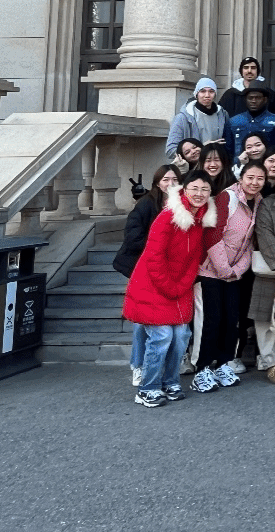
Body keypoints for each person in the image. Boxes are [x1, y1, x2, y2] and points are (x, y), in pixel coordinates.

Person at [121, 171, 225, 407]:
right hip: (152, 285)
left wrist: (183, 284)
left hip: (179, 287)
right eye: (194, 188)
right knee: (162, 336)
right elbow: (154, 257)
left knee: (181, 336)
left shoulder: (201, 219)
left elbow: (195, 257)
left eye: (205, 189)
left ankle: (170, 382)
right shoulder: (168, 216)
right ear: (184, 190)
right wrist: (171, 286)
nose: (199, 194)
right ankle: (147, 388)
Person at [192, 162, 263, 393]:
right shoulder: (227, 197)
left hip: (233, 274)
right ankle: (201, 369)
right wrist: (224, 270)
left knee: (231, 321)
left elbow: (250, 242)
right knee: (210, 321)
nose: (254, 182)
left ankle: (222, 364)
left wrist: (238, 270)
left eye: (260, 178)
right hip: (210, 271)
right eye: (250, 177)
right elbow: (213, 235)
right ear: (241, 178)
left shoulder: (258, 202)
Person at [113, 165, 179, 388]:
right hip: (143, 267)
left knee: (162, 322)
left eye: (174, 179)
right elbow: (132, 236)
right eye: (166, 179)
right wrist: (158, 249)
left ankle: (159, 365)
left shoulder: (181, 204)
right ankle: (138, 365)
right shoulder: (146, 203)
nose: (170, 183)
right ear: (157, 182)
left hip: (167, 270)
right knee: (142, 321)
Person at [166, 78, 229, 162]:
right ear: (196, 94)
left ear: (215, 94)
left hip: (214, 165)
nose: (207, 95)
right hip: (193, 167)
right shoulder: (183, 118)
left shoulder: (223, 115)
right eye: (203, 91)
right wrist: (200, 148)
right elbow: (170, 150)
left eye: (211, 91)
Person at [226, 86, 275, 160]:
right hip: (239, 164)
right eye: (250, 98)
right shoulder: (233, 121)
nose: (253, 101)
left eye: (258, 98)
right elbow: (228, 149)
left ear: (265, 100)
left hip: (265, 165)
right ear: (245, 100)